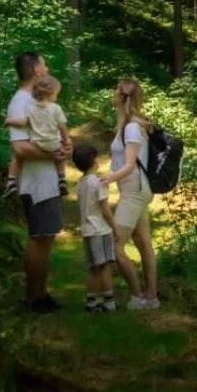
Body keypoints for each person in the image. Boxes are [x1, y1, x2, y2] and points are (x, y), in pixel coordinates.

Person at [4, 52, 68, 312]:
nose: (48, 67)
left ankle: (40, 294)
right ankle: (33, 298)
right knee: (39, 237)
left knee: (46, 237)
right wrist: (55, 153)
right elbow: (19, 148)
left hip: (46, 180)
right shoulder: (20, 103)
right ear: (36, 71)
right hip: (36, 183)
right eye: (44, 64)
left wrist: (62, 150)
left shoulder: (34, 101)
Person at [103, 77, 160, 310]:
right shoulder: (126, 125)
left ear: (124, 97)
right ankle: (152, 296)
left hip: (134, 191)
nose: (113, 94)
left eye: (116, 90)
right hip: (134, 189)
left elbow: (129, 165)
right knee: (142, 241)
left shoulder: (133, 127)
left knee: (113, 244)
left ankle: (138, 297)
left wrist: (106, 179)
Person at [4, 74, 70, 198]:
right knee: (61, 153)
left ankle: (11, 181)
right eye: (56, 94)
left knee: (16, 155)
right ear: (50, 94)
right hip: (53, 144)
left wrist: (9, 121)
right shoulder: (56, 108)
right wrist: (66, 142)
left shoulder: (30, 108)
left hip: (37, 144)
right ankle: (61, 178)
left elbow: (23, 122)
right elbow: (62, 128)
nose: (56, 97)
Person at [72, 143, 118, 314]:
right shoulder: (99, 183)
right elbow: (105, 210)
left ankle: (91, 302)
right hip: (100, 229)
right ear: (93, 161)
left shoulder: (81, 183)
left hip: (87, 230)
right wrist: (115, 228)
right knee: (104, 265)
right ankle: (109, 302)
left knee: (93, 267)